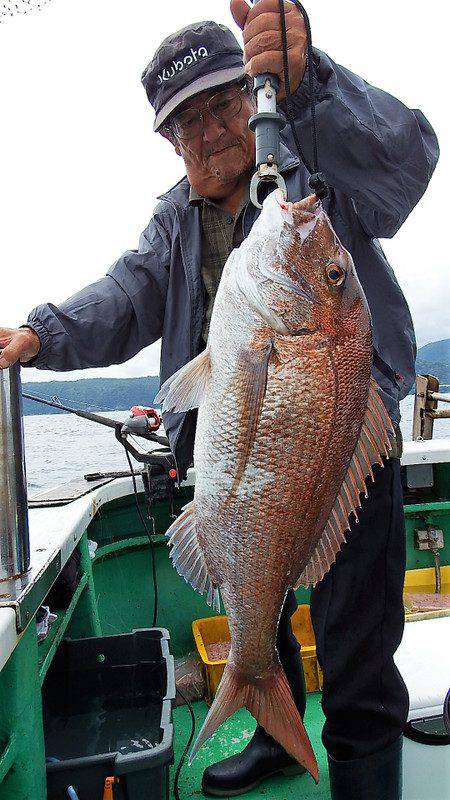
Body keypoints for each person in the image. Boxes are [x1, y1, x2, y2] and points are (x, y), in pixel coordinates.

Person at [0, 1, 439, 797]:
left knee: (358, 657)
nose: (206, 134)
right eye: (183, 125)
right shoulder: (176, 220)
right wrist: (39, 334)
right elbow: (125, 296)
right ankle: (275, 728)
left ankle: (364, 770)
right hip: (236, 468)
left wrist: (312, 83)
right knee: (256, 614)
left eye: (221, 105)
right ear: (168, 142)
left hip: (344, 455)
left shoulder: (313, 180)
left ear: (254, 95)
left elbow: (406, 164)